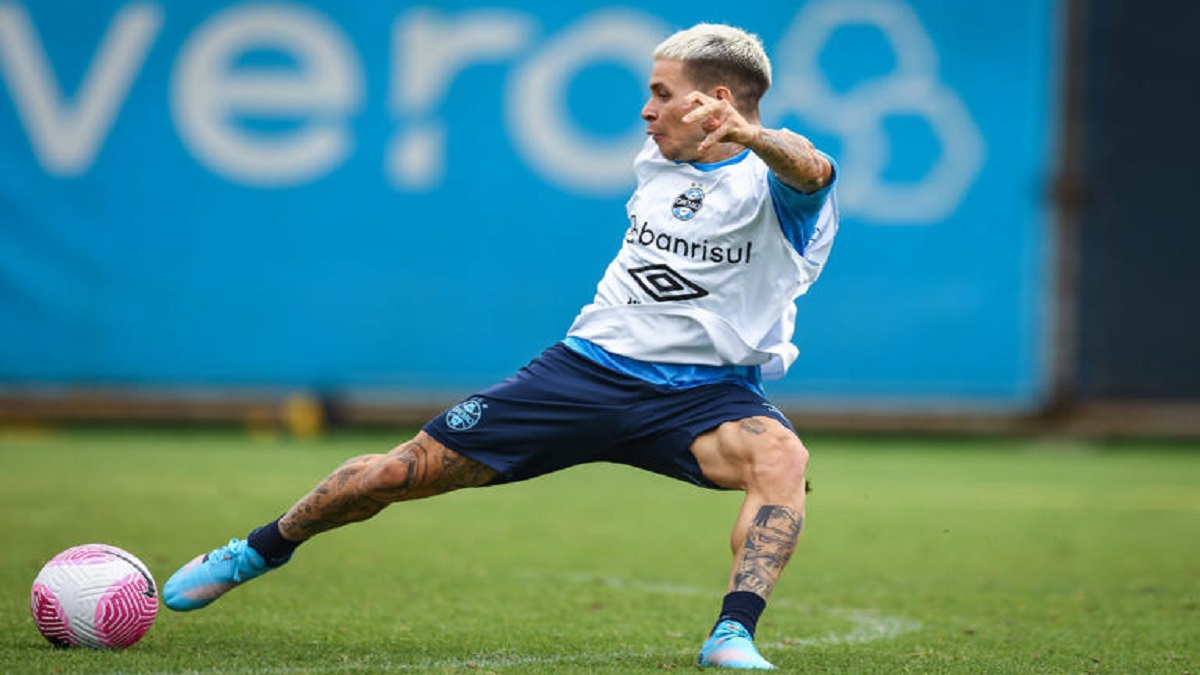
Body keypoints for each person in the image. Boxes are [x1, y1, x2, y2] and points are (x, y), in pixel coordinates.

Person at [163, 22, 838, 670]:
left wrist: (751, 135)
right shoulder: (661, 159)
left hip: (704, 395)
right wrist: (723, 130)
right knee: (392, 474)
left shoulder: (778, 187)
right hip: (587, 372)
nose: (646, 110)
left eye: (662, 94)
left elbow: (812, 170)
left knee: (781, 458)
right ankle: (258, 549)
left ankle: (731, 634)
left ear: (716, 102)